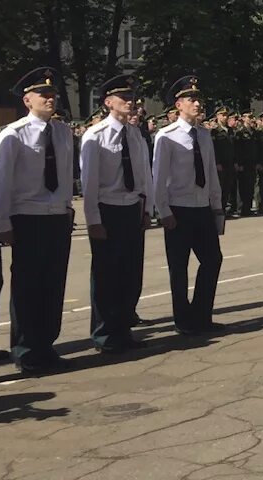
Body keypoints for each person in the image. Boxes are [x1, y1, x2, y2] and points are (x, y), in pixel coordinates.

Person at [0, 67, 76, 374]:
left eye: (53, 94)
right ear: (28, 100)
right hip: (27, 217)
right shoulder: (13, 135)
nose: (50, 99)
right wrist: (3, 224)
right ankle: (26, 350)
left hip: (56, 216)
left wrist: (67, 209)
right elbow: (1, 183)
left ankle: (46, 345)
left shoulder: (62, 132)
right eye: (43, 94)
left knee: (53, 285)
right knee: (28, 286)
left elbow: (66, 176)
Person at [80, 73, 151, 352]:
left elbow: (144, 177)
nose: (131, 102)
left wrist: (146, 210)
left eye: (132, 98)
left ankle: (123, 330)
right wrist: (93, 220)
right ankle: (104, 335)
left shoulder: (135, 134)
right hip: (107, 210)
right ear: (109, 102)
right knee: (106, 275)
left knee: (130, 274)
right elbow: (89, 184)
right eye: (125, 98)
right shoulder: (95, 136)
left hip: (131, 209)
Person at [152, 74, 225, 336]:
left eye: (198, 99)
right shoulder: (166, 136)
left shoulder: (204, 134)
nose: (197, 104)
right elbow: (158, 178)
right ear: (178, 104)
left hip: (201, 208)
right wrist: (163, 211)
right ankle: (183, 319)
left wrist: (216, 206)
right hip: (179, 209)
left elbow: (211, 174)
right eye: (191, 99)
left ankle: (202, 314)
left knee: (213, 259)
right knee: (179, 267)